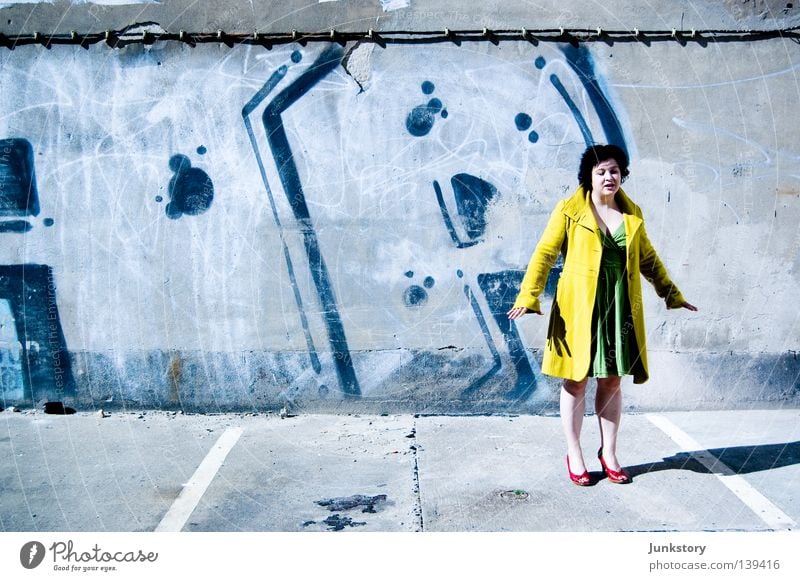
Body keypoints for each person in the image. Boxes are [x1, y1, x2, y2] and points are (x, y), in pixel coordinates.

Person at [507, 144, 697, 486]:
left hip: (619, 309)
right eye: (601, 172)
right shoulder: (569, 211)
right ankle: (575, 452)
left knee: (612, 380)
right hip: (580, 309)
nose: (609, 177)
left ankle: (608, 452)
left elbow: (648, 259)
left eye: (614, 170)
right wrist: (529, 295)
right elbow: (544, 254)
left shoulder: (632, 214)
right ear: (589, 177)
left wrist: (671, 293)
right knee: (576, 379)